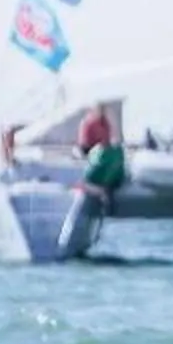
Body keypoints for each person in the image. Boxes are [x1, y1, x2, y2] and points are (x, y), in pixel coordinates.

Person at [57, 107, 125, 255]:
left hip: (99, 182)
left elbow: (90, 181)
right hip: (104, 181)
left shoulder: (102, 153)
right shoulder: (114, 151)